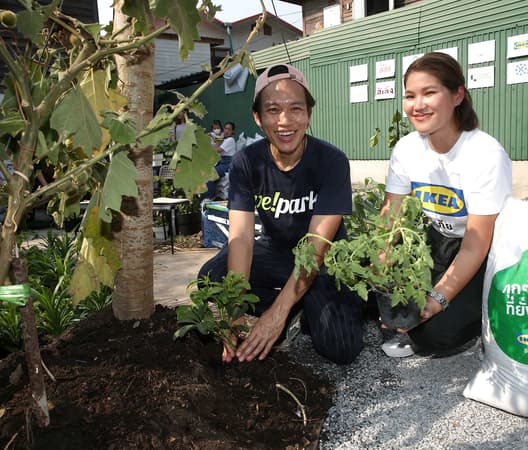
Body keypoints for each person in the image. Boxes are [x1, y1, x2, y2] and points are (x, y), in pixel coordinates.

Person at [198, 63, 364, 365]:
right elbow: (242, 239)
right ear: (258, 118)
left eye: (295, 109)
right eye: (273, 110)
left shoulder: (332, 161)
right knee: (211, 278)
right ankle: (295, 306)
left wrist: (277, 314)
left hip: (323, 259)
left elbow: (315, 250)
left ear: (308, 114)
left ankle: (300, 306)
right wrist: (234, 310)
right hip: (275, 252)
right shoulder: (247, 163)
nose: (285, 121)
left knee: (341, 347)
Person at [380, 52, 512, 357]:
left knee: (434, 336)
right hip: (436, 242)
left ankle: (485, 317)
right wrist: (380, 272)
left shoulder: (484, 153)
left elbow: (475, 245)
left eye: (429, 92)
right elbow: (391, 220)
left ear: (457, 95)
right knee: (387, 304)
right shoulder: (407, 149)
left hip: (486, 250)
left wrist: (439, 296)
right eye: (410, 95)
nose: (417, 104)